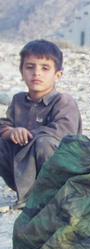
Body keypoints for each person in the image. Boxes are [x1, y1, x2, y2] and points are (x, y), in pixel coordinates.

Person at [0, 39, 81, 209]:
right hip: (22, 172)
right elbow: (5, 124)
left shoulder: (63, 102)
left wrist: (26, 134)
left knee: (44, 142)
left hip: (58, 173)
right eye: (30, 67)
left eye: (45, 68)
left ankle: (52, 195)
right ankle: (26, 193)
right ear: (22, 72)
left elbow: (63, 133)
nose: (37, 73)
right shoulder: (18, 100)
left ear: (58, 75)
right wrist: (11, 132)